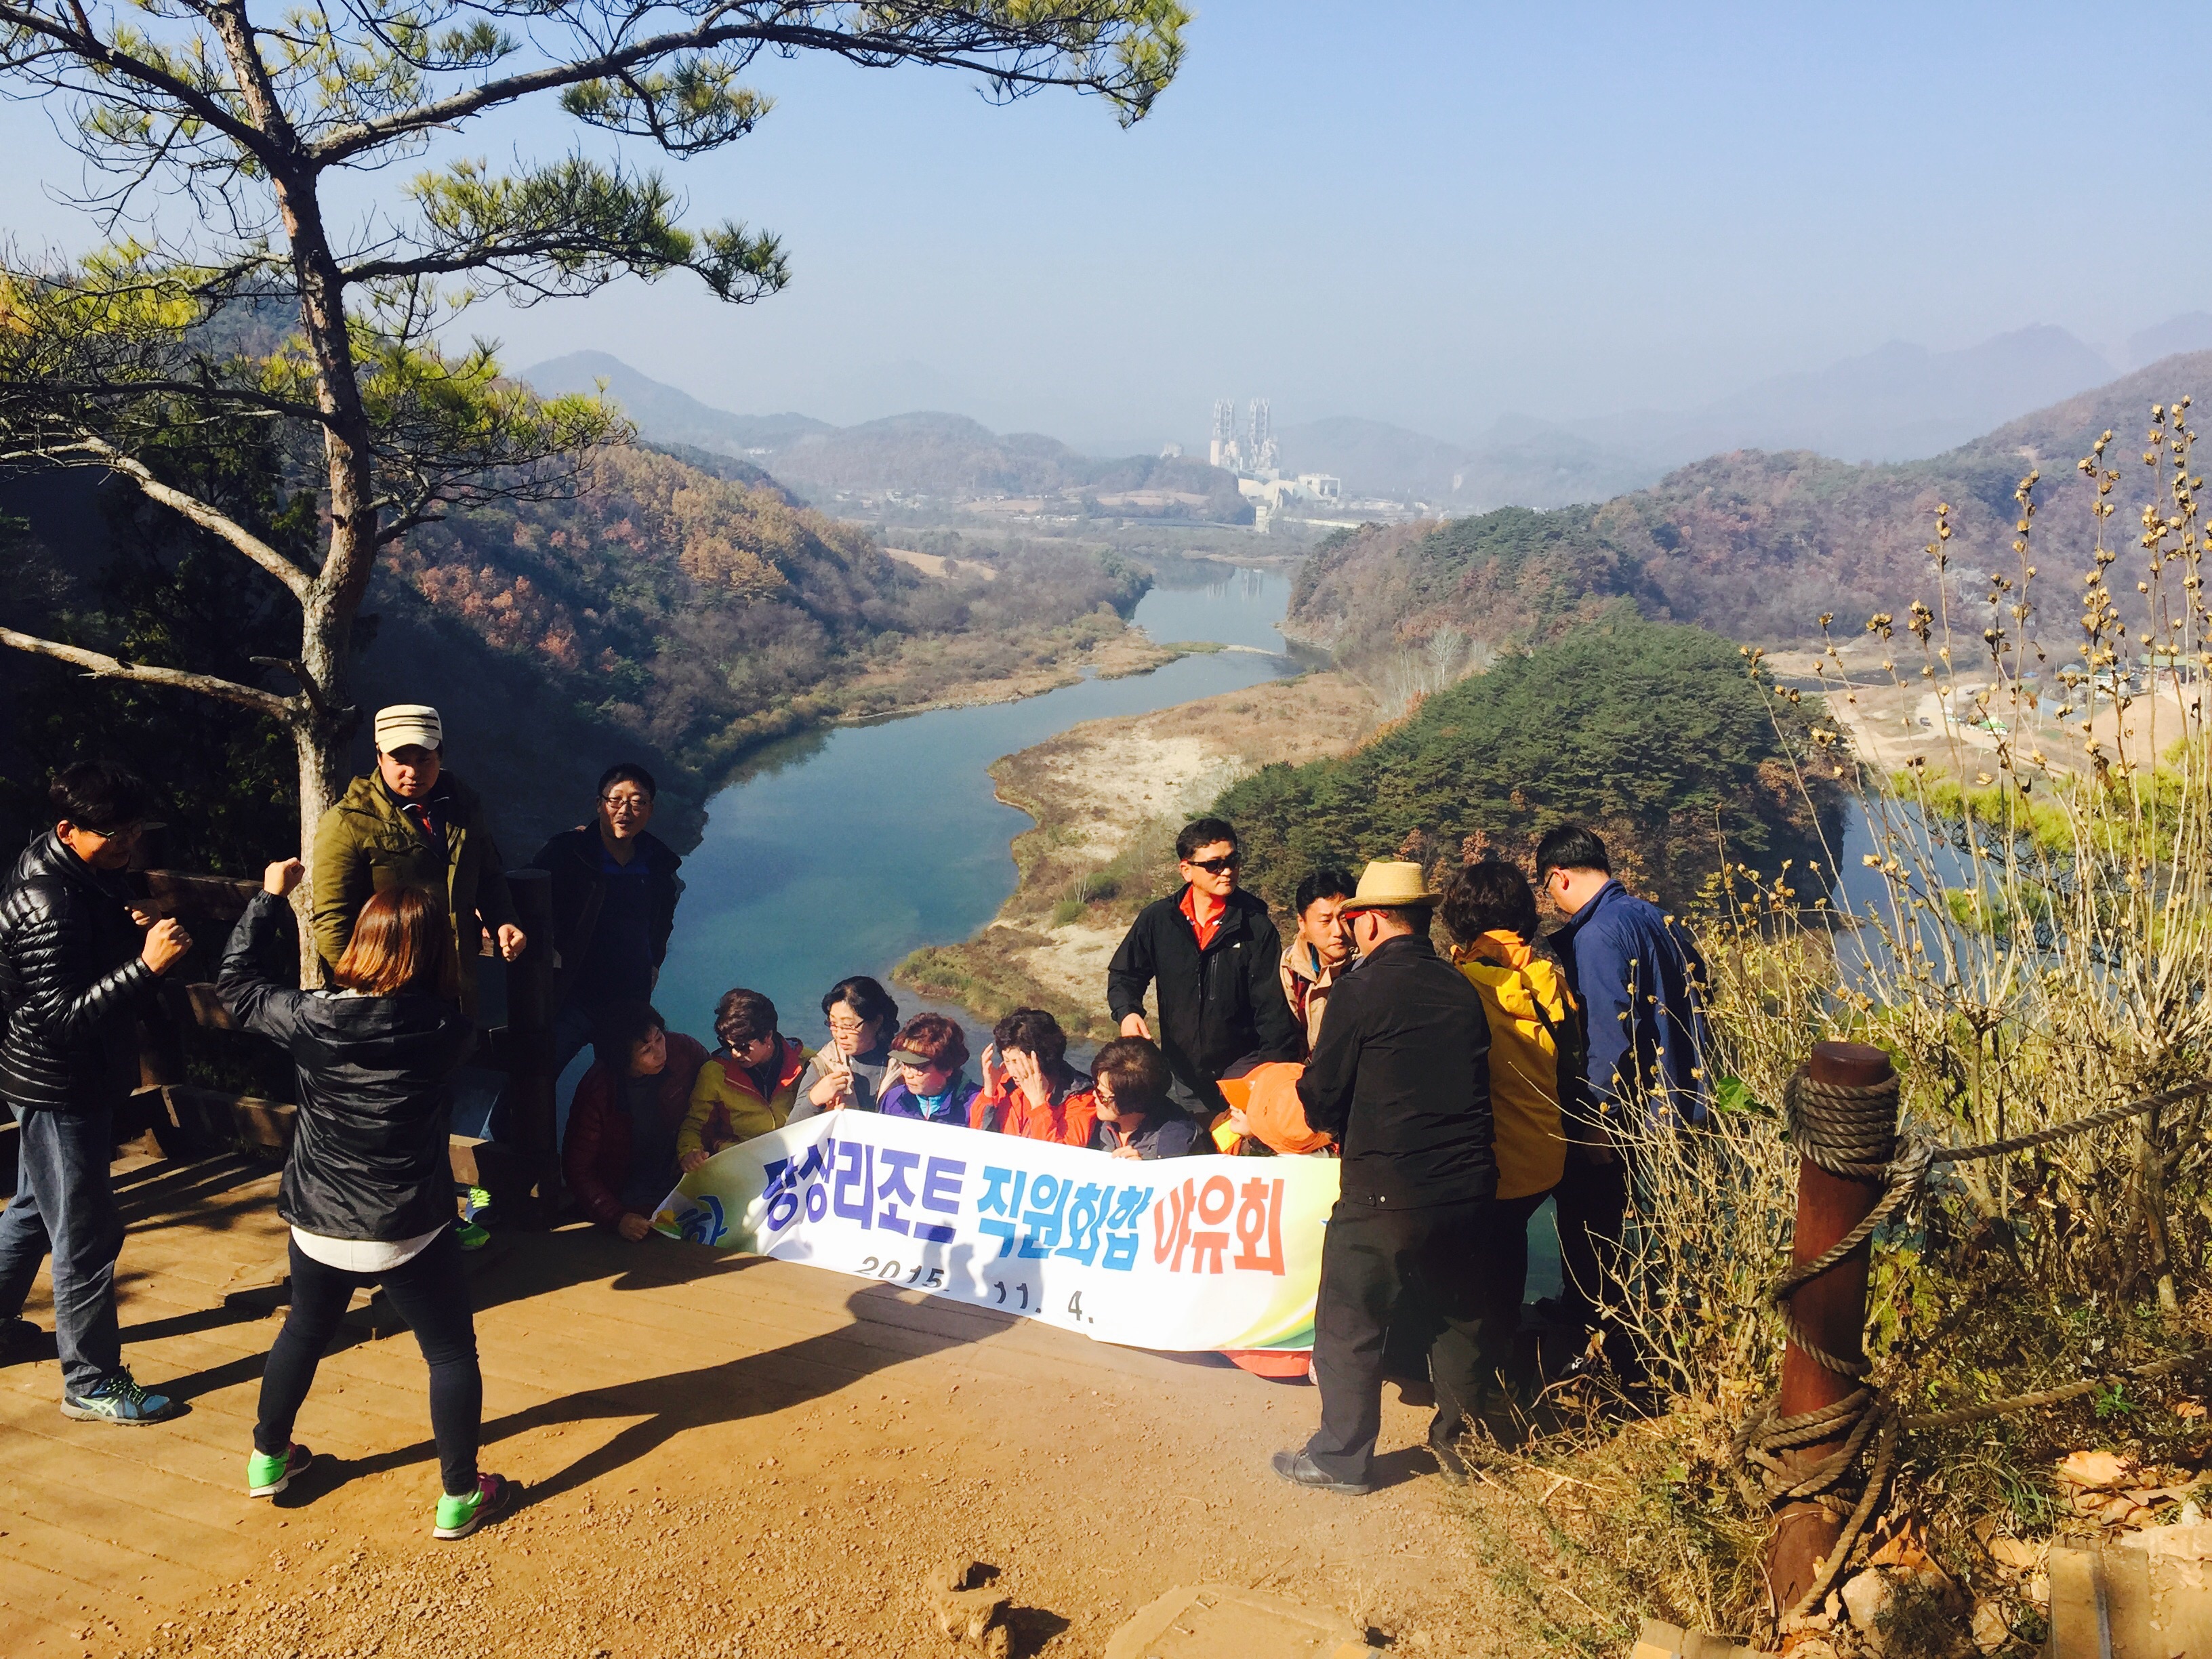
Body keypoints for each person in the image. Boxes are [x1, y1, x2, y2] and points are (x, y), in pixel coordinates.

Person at [219, 863, 514, 1539]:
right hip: (406, 1226)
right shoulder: (446, 1029)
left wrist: (269, 900)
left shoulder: (310, 1018)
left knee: (303, 1330)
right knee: (448, 1353)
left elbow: (236, 988)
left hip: (317, 1221)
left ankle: (268, 1457)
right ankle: (460, 1495)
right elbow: (465, 1015)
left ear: (361, 942)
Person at [1272, 861, 1502, 1496]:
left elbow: (1323, 1096)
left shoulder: (1361, 991)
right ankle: (1463, 1451)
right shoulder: (1461, 990)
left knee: (1350, 1321)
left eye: (1353, 917)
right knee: (1460, 1321)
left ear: (1370, 918)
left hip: (1386, 1191)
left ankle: (1342, 1459)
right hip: (1470, 1186)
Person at [0, 762, 190, 1423]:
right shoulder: (50, 900)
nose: (127, 844)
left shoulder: (77, 873)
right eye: (113, 834)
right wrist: (146, 966)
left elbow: (81, 962)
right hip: (60, 1082)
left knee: (32, 1208)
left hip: (54, 1078)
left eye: (134, 830)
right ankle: (92, 1382)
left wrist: (124, 926)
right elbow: (61, 1016)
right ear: (67, 829)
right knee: (85, 1233)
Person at [1534, 824, 1713, 1367]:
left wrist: (1595, 1119)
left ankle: (1596, 1335)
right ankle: (1669, 1332)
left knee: (1592, 1224)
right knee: (1668, 1231)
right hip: (1685, 1099)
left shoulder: (1595, 936)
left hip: (1629, 1116)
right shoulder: (1654, 915)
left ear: (1559, 878)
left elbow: (1608, 1040)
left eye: (1549, 889)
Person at [1441, 861, 1582, 1340]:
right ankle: (1508, 1347)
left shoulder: (1461, 985)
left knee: (1476, 1268)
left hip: (1486, 1160)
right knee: (1509, 1245)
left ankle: (1484, 1365)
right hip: (1544, 1155)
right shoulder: (1549, 981)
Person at [310, 704, 525, 1016]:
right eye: (400, 760)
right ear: (379, 758)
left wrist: (503, 920)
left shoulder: (463, 806)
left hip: (456, 982)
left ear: (440, 756)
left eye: (424, 759)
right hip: (387, 992)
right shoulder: (349, 822)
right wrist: (362, 993)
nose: (413, 772)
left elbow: (488, 874)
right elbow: (332, 918)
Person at [1105, 817, 1301, 1115]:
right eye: (1214, 864)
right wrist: (1128, 1012)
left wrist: (1263, 1079)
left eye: (1232, 860)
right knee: (1196, 1152)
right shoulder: (1159, 920)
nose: (1226, 871)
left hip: (1243, 1076)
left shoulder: (1256, 928)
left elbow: (1273, 1015)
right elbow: (1125, 974)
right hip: (1183, 1076)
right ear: (1187, 870)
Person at [531, 764, 684, 1128]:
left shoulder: (657, 863)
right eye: (615, 800)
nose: (625, 811)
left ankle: (609, 1176)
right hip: (572, 995)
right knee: (533, 1079)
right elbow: (526, 897)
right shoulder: (568, 853)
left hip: (628, 1000)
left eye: (637, 802)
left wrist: (654, 963)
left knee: (625, 1093)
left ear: (651, 809)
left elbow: (662, 921)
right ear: (599, 804)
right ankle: (498, 1168)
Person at [562, 1002, 709, 1240]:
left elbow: (716, 1098)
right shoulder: (599, 1092)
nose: (660, 1052)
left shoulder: (684, 1051)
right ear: (624, 1061)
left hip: (686, 1176)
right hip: (630, 1194)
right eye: (646, 1051)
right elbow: (578, 1168)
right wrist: (616, 1217)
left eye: (659, 1039)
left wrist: (701, 1149)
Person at [678, 989, 811, 1170]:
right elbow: (694, 1126)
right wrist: (689, 1152)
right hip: (742, 1167)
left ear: (767, 1036)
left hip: (797, 1161)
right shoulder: (715, 1072)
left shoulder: (806, 1063)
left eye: (742, 1047)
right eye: (726, 1044)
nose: (734, 1053)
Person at [972, 1008, 1095, 1145]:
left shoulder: (1081, 1097)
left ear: (1041, 1057)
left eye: (1018, 1062)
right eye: (1007, 1061)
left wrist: (1039, 1105)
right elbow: (977, 1141)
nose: (1012, 1072)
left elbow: (1063, 1157)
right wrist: (989, 1092)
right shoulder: (1006, 1084)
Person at [789, 976, 901, 1123]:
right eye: (833, 1023)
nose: (839, 1034)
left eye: (848, 1026)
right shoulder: (825, 1065)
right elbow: (790, 1130)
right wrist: (814, 1101)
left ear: (877, 1021)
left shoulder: (905, 1064)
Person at [1279, 867, 1356, 1056]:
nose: (1338, 931)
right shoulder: (1293, 967)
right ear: (1302, 923)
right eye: (1325, 921)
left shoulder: (1369, 965)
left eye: (1345, 919)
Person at [1088, 1037, 1197, 1159]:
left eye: (1101, 1094)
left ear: (1131, 1103)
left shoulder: (1174, 1143)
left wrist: (1145, 1171)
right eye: (1096, 1084)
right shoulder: (1097, 1118)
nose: (1094, 1096)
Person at [876, 1014, 981, 1126]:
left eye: (918, 1067)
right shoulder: (893, 1099)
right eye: (905, 1064)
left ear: (946, 1068)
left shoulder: (976, 1105)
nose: (907, 1074)